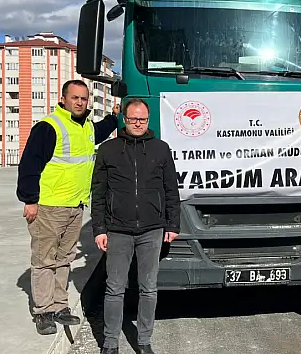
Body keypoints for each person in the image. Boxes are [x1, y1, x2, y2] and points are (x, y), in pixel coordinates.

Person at [17, 80, 119, 335]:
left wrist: (114, 118)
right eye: (75, 98)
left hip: (75, 207)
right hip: (49, 207)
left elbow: (101, 131)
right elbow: (29, 165)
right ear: (63, 99)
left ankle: (60, 306)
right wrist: (30, 200)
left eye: (84, 99)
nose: (79, 102)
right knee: (44, 261)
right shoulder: (48, 127)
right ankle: (43, 311)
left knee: (64, 260)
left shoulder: (85, 128)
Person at [90, 98, 181, 354]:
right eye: (132, 119)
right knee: (114, 288)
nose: (137, 123)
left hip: (152, 230)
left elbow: (171, 190)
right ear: (124, 120)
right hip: (117, 230)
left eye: (142, 119)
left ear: (148, 120)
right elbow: (98, 192)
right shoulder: (108, 150)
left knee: (148, 288)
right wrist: (99, 229)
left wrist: (172, 224)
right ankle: (110, 343)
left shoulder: (161, 149)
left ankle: (143, 341)